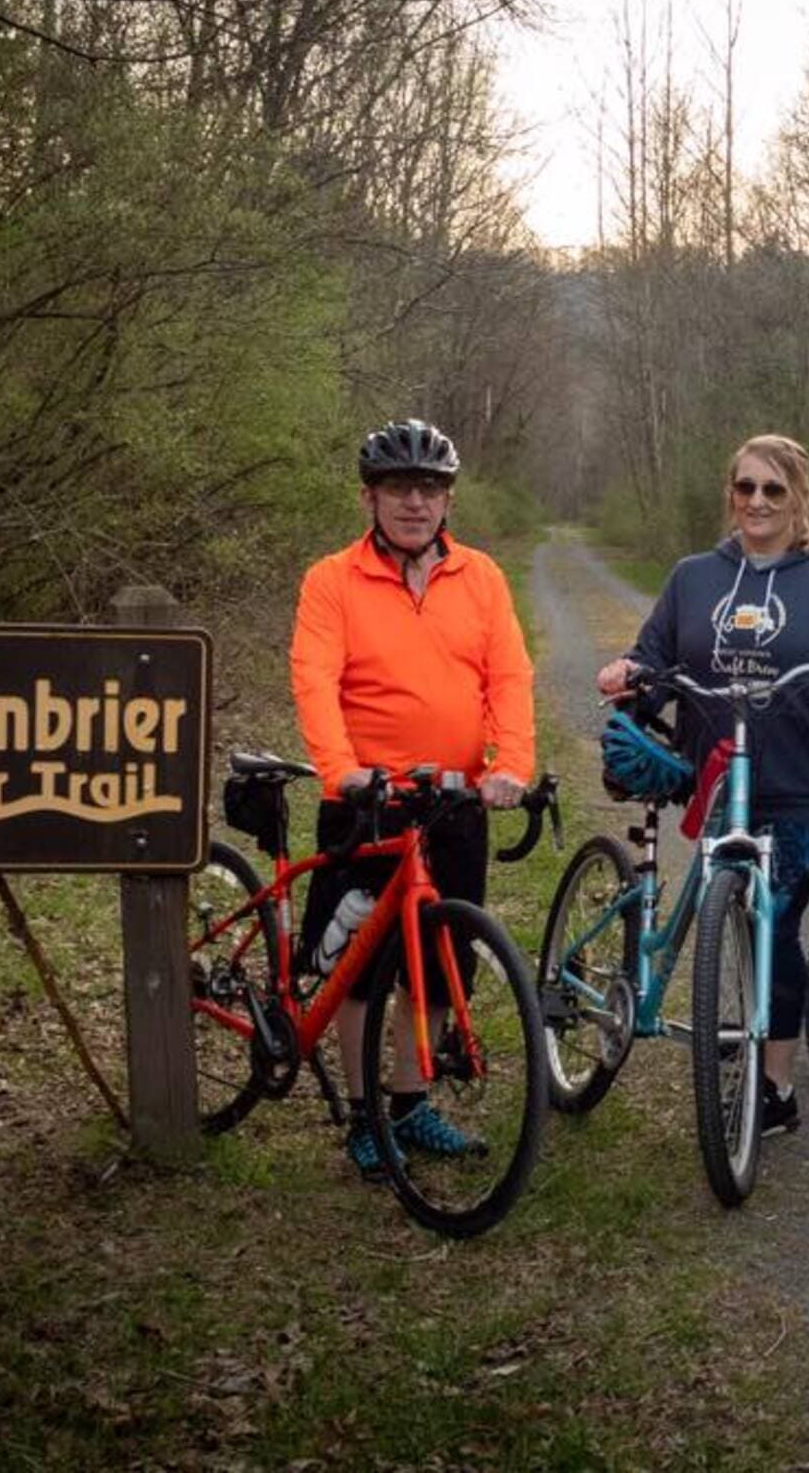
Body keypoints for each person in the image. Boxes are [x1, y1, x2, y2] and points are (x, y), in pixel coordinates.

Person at [595, 434, 809, 1138]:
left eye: (773, 489)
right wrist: (626, 674)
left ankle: (776, 1085)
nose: (757, 501)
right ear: (730, 494)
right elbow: (651, 658)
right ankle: (740, 1046)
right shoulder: (693, 576)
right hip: (718, 781)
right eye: (745, 488)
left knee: (775, 919)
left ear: (799, 497)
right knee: (732, 913)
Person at [290, 417, 537, 1175]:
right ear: (370, 496)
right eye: (399, 488)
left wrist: (512, 765)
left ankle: (409, 1101)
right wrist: (341, 771)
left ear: (447, 499)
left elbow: (509, 677)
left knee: (438, 960)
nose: (414, 503)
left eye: (428, 489)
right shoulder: (332, 580)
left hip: (454, 802)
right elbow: (315, 680)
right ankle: (363, 1117)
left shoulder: (482, 577)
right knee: (360, 967)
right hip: (368, 801)